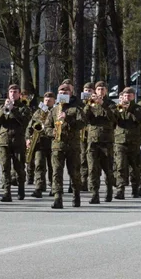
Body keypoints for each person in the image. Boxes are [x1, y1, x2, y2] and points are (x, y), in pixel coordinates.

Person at [44, 81, 85, 209]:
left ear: (70, 94)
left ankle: (76, 195)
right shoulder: (54, 110)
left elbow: (82, 123)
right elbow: (46, 126)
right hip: (57, 145)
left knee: (74, 172)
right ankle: (58, 198)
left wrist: (68, 118)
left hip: (73, 145)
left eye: (65, 93)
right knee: (57, 172)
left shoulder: (76, 109)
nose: (63, 94)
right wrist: (53, 132)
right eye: (61, 93)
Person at [0, 84, 29, 202]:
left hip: (18, 141)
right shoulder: (2, 107)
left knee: (19, 167)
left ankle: (21, 189)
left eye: (15, 92)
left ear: (19, 94)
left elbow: (25, 122)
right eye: (11, 92)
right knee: (5, 167)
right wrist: (4, 109)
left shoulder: (23, 108)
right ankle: (6, 192)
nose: (13, 94)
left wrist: (13, 109)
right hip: (4, 141)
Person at [83, 81, 117, 203]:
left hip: (106, 141)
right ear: (95, 91)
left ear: (106, 91)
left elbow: (114, 118)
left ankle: (109, 191)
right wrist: (88, 105)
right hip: (92, 141)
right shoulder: (90, 104)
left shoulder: (111, 104)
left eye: (103, 89)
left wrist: (103, 105)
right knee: (93, 169)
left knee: (108, 169)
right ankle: (94, 194)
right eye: (98, 89)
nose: (100, 91)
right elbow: (83, 119)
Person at [113, 87, 141, 199]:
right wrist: (118, 109)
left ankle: (135, 188)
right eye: (125, 95)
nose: (127, 97)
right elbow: (112, 120)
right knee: (120, 166)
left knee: (135, 167)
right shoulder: (117, 108)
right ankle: (120, 189)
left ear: (133, 96)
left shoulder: (138, 108)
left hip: (134, 142)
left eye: (129, 95)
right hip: (120, 141)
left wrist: (130, 110)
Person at [27, 92, 54, 198]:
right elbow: (30, 126)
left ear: (54, 101)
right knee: (39, 165)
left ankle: (53, 187)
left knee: (53, 167)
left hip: (52, 142)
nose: (47, 101)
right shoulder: (38, 112)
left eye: (50, 99)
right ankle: (39, 187)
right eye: (46, 99)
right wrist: (28, 138)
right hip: (40, 142)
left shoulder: (56, 111)